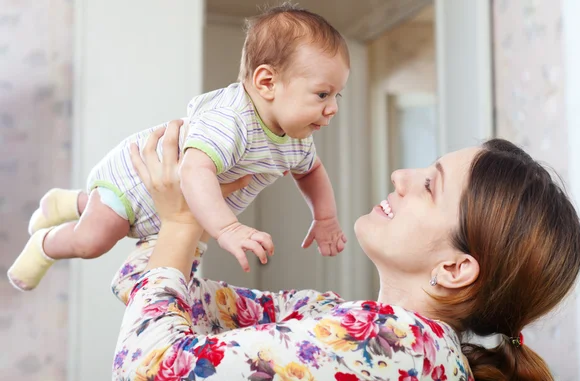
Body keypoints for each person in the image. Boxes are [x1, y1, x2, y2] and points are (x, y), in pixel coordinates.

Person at [111, 121, 580, 381]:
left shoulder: (392, 341)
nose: (401, 177)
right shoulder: (334, 317)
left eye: (428, 186)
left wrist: (180, 223)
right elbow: (148, 292)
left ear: (456, 267)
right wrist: (209, 208)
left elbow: (146, 370)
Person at [7, 3, 350, 292]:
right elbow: (193, 169)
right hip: (136, 184)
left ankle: (68, 202)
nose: (333, 107)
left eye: (337, 95)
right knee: (93, 240)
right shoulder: (231, 120)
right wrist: (228, 228)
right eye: (323, 94)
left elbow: (312, 172)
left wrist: (326, 217)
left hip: (170, 206)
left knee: (150, 249)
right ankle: (46, 243)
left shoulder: (298, 142)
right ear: (267, 82)